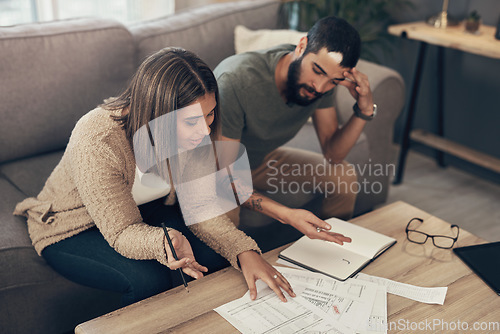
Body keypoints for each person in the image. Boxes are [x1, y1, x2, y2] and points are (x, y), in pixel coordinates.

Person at [14, 47, 295, 305]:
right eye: (192, 121)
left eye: (210, 115)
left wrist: (246, 253)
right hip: (74, 225)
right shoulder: (97, 139)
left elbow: (203, 209)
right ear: (157, 114)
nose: (206, 130)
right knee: (149, 280)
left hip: (144, 208)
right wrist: (164, 241)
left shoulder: (194, 132)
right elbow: (121, 231)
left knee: (216, 257)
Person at [214, 16, 376, 243]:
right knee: (225, 207)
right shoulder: (236, 81)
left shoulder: (323, 86)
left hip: (259, 161)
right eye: (317, 71)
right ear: (301, 46)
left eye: (333, 81)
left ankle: (332, 255)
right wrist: (286, 215)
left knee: (343, 176)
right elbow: (224, 178)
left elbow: (333, 154)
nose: (320, 87)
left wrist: (364, 109)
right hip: (213, 169)